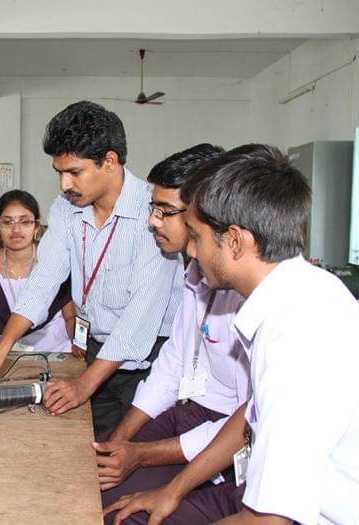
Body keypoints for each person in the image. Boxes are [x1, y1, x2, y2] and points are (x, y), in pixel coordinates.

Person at [105, 144, 359, 525]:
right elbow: (249, 415)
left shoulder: (298, 339)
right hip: (273, 495)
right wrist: (173, 490)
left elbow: (267, 520)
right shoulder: (301, 291)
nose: (193, 252)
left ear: (235, 241)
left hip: (318, 515)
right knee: (129, 509)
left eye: (197, 237)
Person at [0, 101, 181, 435]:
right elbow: (44, 281)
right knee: (90, 446)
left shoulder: (152, 212)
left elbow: (140, 318)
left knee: (134, 451)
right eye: (59, 173)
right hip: (95, 351)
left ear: (110, 161)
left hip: (149, 359)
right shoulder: (67, 208)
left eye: (74, 172)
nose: (64, 184)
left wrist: (84, 385)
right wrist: (2, 347)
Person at [97, 144, 251, 524]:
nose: (154, 222)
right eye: (153, 209)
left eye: (166, 212)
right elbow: (172, 364)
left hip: (225, 435)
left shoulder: (245, 292)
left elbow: (246, 421)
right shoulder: (194, 273)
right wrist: (121, 438)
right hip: (189, 409)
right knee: (94, 479)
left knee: (121, 511)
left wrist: (142, 455)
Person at [0, 190, 75, 354]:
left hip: (55, 351)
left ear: (36, 226)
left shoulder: (55, 262)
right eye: (7, 222)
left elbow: (70, 317)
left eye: (25, 222)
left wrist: (78, 344)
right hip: (2, 353)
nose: (16, 229)